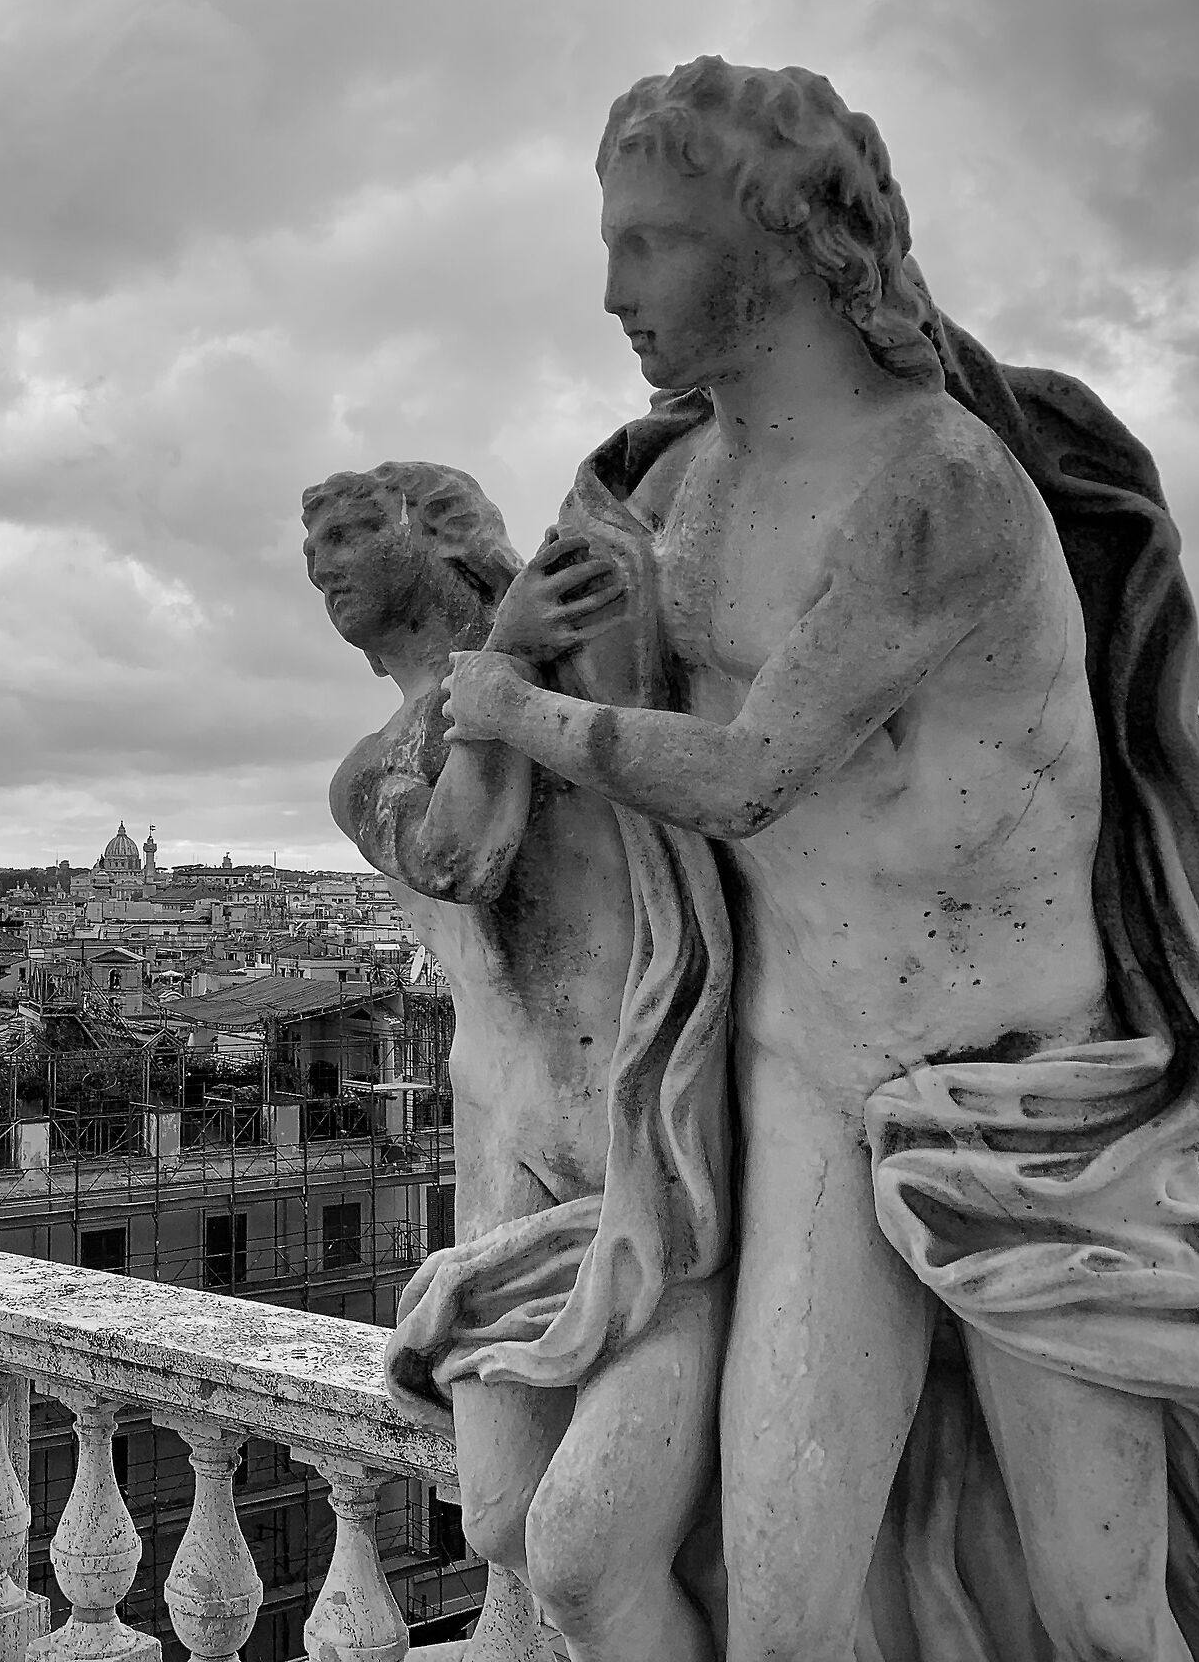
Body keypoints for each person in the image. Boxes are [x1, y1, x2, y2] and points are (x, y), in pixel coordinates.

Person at [442, 58, 1199, 1661]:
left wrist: (510, 707)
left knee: (1099, 1604)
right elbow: (573, 760)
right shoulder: (677, 489)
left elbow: (759, 771)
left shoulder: (941, 486)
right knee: (784, 1608)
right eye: (613, 243)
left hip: (1024, 1100)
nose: (614, 292)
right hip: (804, 1073)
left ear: (780, 245)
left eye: (655, 245)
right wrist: (524, 661)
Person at [305, 459, 731, 1661]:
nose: (324, 567)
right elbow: (459, 856)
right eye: (311, 553)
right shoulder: (366, 773)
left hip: (650, 1135)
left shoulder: (592, 674)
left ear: (436, 537)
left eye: (347, 533)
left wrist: (521, 660)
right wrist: (505, 660)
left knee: (593, 1552)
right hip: (506, 1150)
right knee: (497, 1517)